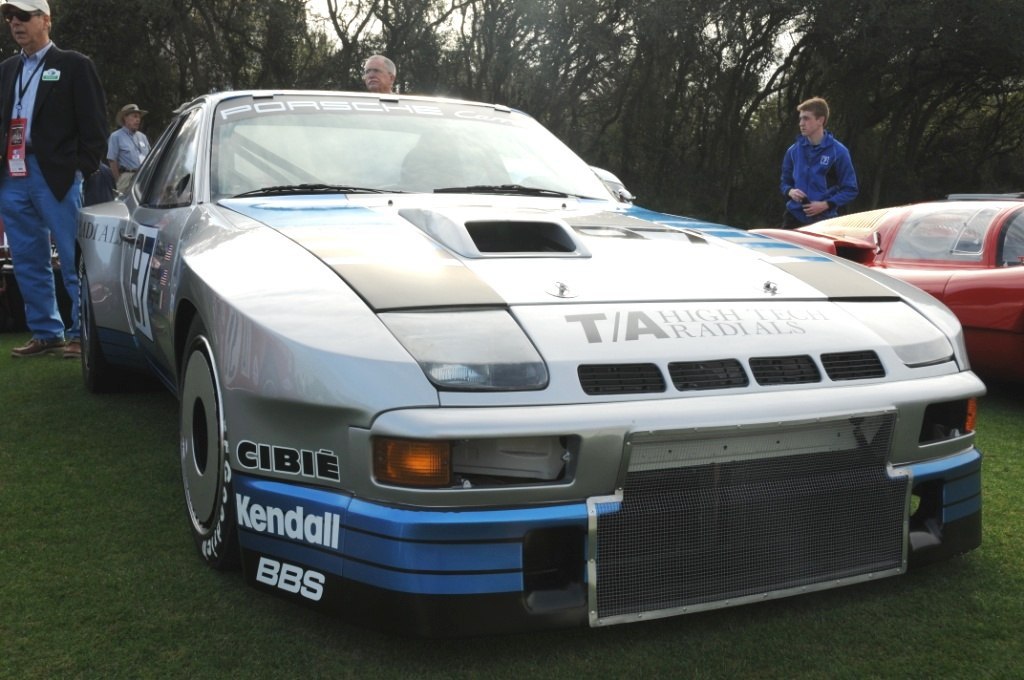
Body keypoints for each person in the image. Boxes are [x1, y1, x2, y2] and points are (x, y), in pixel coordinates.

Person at [0, 0, 107, 358]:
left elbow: (95, 124)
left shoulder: (74, 64)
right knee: (27, 258)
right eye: (9, 17)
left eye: (23, 16)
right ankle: (47, 332)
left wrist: (81, 167)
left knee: (72, 255)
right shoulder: (7, 69)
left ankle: (82, 333)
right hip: (13, 174)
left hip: (57, 174)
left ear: (46, 20)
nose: (15, 23)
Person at [780, 97, 858, 228]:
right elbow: (784, 182)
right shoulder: (792, 151)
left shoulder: (839, 152)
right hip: (793, 218)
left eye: (806, 118)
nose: (801, 123)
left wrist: (826, 205)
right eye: (800, 118)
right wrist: (790, 191)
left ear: (820, 120)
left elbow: (851, 189)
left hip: (825, 222)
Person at [107, 103, 150, 194]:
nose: (138, 120)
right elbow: (112, 160)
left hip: (144, 177)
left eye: (139, 117)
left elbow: (151, 158)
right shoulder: (116, 136)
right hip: (127, 177)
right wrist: (119, 179)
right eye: (134, 116)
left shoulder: (143, 137)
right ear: (125, 118)